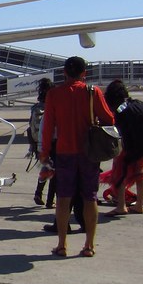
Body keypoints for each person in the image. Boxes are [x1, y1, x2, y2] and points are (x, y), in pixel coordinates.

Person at [39, 56, 115, 257]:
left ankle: (62, 245)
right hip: (89, 153)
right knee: (90, 197)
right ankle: (89, 245)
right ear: (84, 74)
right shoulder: (92, 92)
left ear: (64, 72)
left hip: (64, 152)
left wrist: (44, 153)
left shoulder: (54, 94)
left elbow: (48, 127)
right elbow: (109, 119)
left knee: (63, 198)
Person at [103, 79, 143, 215]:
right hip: (140, 145)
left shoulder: (120, 108)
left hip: (126, 146)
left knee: (119, 176)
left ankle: (121, 206)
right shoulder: (134, 104)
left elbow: (117, 126)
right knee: (140, 175)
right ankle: (139, 204)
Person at [29, 78, 54, 206]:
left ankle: (38, 193)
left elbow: (31, 127)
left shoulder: (35, 108)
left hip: (37, 143)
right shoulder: (52, 106)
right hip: (51, 142)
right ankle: (50, 200)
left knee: (46, 167)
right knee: (53, 170)